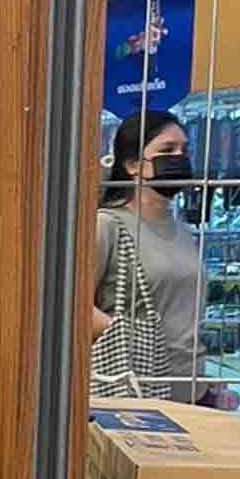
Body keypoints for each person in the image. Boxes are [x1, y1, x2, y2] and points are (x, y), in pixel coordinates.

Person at [92, 109, 206, 400]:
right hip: (135, 386)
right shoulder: (107, 225)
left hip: (191, 386)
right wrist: (129, 336)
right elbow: (71, 307)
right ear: (132, 165)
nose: (179, 158)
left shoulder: (183, 231)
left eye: (184, 150)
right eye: (167, 150)